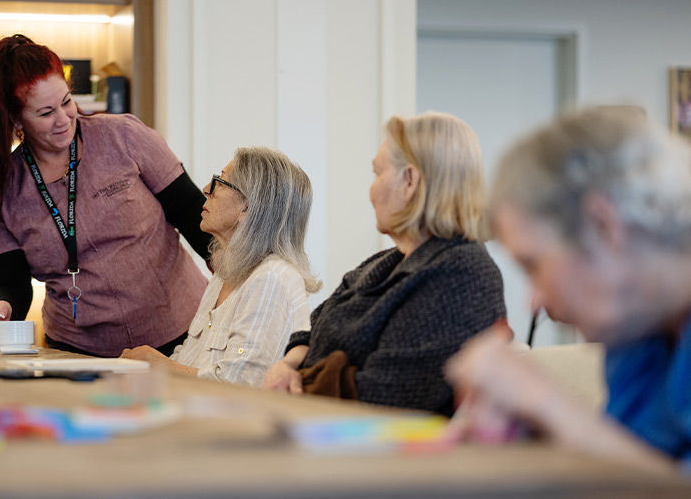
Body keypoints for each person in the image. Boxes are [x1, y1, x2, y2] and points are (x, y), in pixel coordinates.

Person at [445, 107, 691, 474]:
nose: (535, 300)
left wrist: (545, 402)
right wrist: (538, 431)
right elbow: (633, 469)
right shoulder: (638, 334)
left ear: (603, 226)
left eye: (534, 265)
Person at [0, 34, 209, 357]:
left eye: (67, 102)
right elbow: (10, 282)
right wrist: (2, 306)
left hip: (184, 334)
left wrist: (242, 279)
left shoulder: (123, 136)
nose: (64, 119)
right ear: (15, 119)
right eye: (45, 113)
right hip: (79, 353)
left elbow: (193, 214)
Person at [262, 112, 506, 415]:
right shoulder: (384, 263)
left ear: (409, 180)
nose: (371, 191)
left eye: (377, 173)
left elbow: (385, 398)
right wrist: (287, 366)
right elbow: (312, 331)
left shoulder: (462, 276)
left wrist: (302, 379)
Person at [120, 147, 320, 387]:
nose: (206, 189)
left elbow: (240, 385)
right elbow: (190, 356)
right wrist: (146, 368)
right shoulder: (225, 272)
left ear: (247, 207)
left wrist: (158, 364)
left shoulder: (272, 278)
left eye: (220, 182)